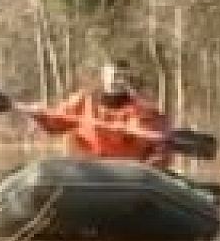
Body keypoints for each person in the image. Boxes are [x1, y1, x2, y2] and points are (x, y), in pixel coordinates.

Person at [29, 59, 173, 168]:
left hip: (131, 176)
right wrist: (39, 115)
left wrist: (148, 170)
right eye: (115, 76)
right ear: (104, 77)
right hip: (88, 172)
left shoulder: (145, 112)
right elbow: (55, 123)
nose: (119, 81)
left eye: (123, 77)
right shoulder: (82, 102)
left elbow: (162, 148)